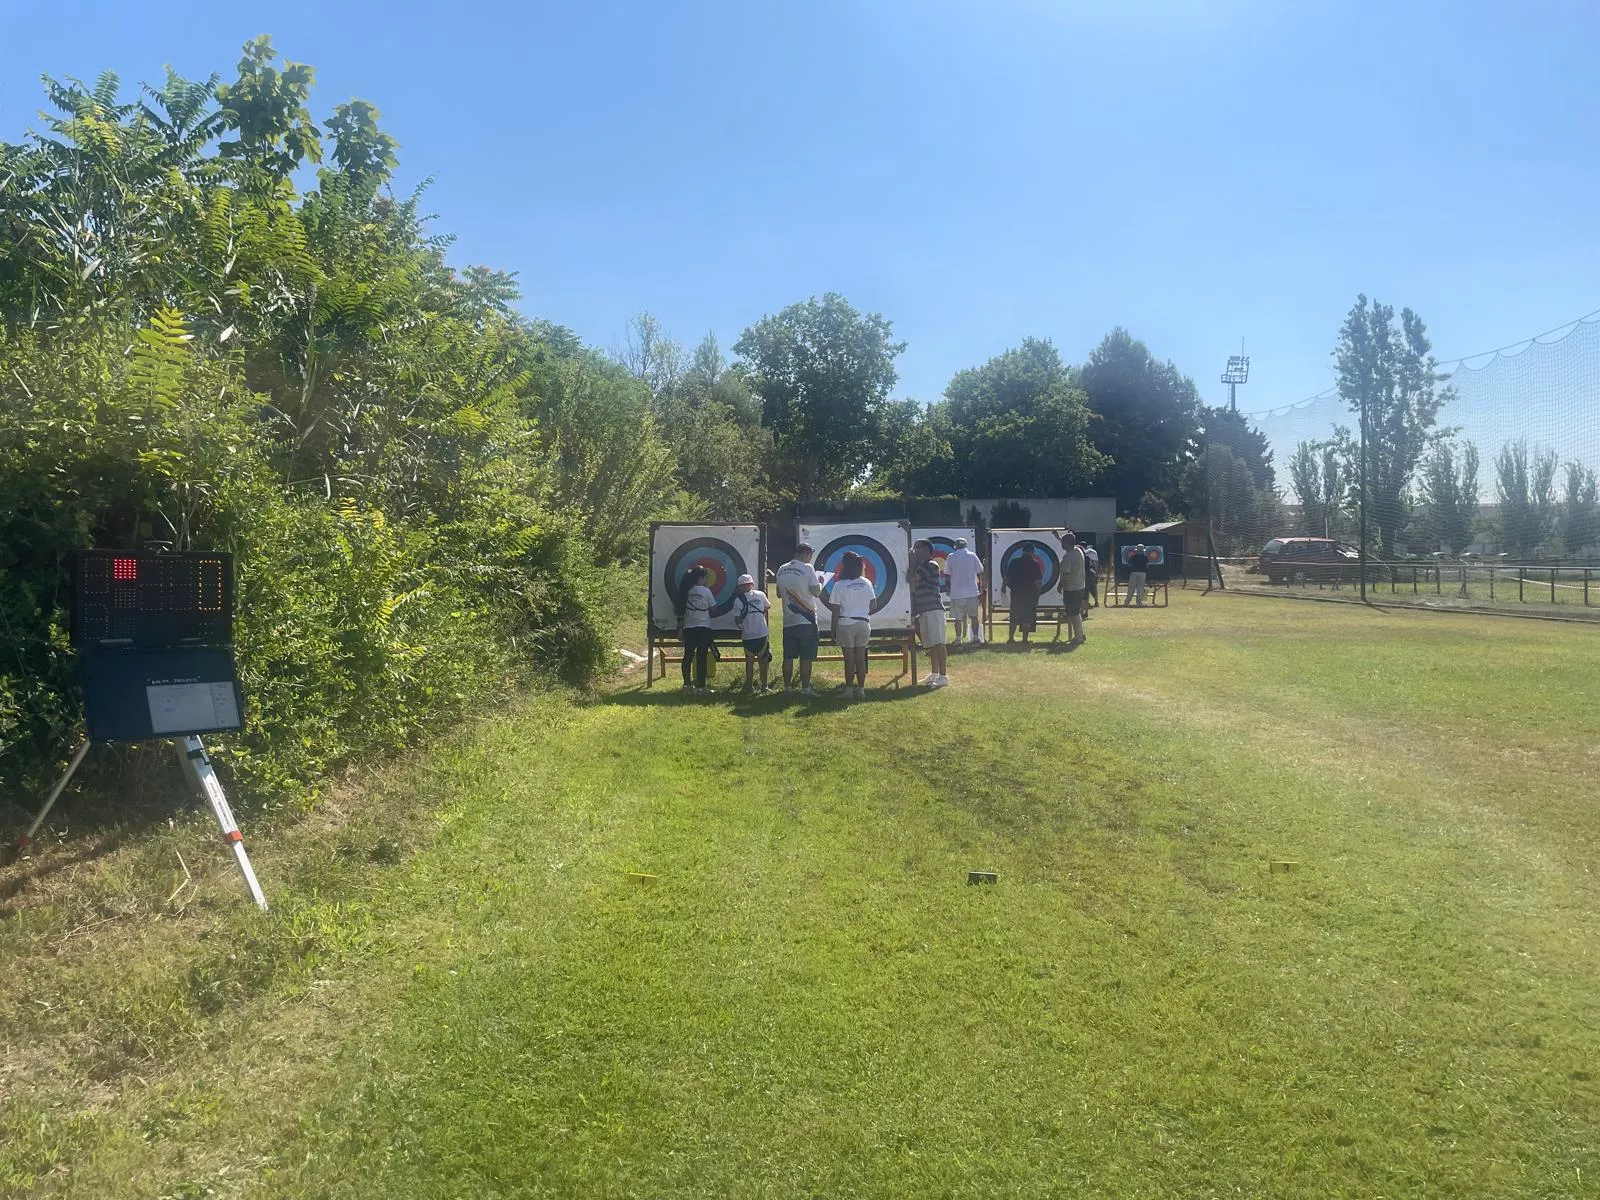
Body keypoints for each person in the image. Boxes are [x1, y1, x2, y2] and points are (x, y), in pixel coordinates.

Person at [826, 551, 875, 700]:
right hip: (863, 623)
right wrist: (861, 610)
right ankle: (861, 690)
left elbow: (835, 610)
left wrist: (833, 630)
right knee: (860, 658)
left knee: (849, 659)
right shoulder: (866, 582)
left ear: (844, 566)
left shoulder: (840, 584)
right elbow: (873, 604)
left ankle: (848, 690)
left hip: (846, 623)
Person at [775, 542, 822, 696]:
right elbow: (816, 592)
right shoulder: (808, 568)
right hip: (807, 620)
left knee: (788, 656)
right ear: (806, 554)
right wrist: (821, 583)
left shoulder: (781, 569)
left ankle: (787, 688)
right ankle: (805, 689)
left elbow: (779, 594)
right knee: (806, 657)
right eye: (810, 556)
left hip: (788, 621)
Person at [910, 539, 950, 688]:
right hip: (924, 610)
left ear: (927, 549)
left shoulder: (931, 565)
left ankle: (943, 676)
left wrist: (913, 562)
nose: (915, 550)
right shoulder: (922, 567)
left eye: (917, 548)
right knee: (931, 644)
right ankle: (934, 674)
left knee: (938, 643)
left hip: (933, 609)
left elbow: (911, 578)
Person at [675, 566, 716, 692]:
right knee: (701, 656)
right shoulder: (706, 591)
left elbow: (680, 612)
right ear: (700, 578)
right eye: (705, 578)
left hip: (689, 627)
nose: (706, 581)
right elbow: (713, 609)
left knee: (688, 655)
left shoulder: (685, 590)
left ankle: (686, 685)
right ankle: (701, 686)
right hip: (703, 627)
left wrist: (680, 629)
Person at [733, 573, 772, 693]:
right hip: (761, 632)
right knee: (763, 660)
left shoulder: (738, 600)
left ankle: (749, 686)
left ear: (740, 587)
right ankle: (764, 686)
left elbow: (737, 619)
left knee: (749, 661)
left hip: (748, 634)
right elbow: (768, 606)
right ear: (752, 584)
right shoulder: (760, 594)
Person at [943, 536, 984, 645]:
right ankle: (975, 638)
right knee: (974, 616)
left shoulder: (951, 557)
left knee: (958, 618)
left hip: (957, 593)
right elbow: (980, 570)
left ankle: (958, 639)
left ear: (955, 546)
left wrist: (948, 588)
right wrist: (980, 588)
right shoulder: (972, 555)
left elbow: (947, 574)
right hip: (972, 591)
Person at [1001, 544, 1044, 644]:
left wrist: (1003, 587)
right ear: (1032, 552)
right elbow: (1038, 582)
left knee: (1014, 616)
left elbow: (1007, 578)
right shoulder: (1035, 564)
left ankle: (1010, 638)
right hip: (1030, 594)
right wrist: (1038, 593)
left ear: (1022, 551)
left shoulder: (1014, 562)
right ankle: (1025, 640)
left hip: (1016, 593)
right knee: (1027, 617)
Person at [1056, 529, 1087, 647]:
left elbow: (1065, 574)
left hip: (1071, 588)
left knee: (1073, 613)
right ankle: (1080, 634)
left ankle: (1078, 637)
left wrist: (1060, 585)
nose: (1061, 544)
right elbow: (1069, 543)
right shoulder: (1078, 550)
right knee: (1076, 612)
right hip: (1079, 586)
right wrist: (1058, 537)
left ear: (1066, 544)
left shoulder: (1068, 556)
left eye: (1062, 543)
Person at [1082, 541, 1100, 613]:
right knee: (1093, 587)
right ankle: (1095, 601)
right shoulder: (1092, 552)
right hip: (1091, 572)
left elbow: (1095, 563)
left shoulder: (1084, 552)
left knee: (1086, 588)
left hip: (1086, 572)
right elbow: (1096, 563)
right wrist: (1097, 572)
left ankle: (1087, 603)